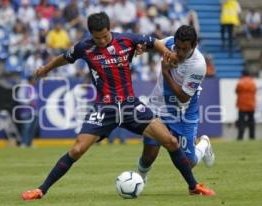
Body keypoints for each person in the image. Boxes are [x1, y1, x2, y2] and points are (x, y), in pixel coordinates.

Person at [21, 12, 215, 201]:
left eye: (105, 36)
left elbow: (153, 41)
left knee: (171, 142)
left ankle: (193, 186)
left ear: (110, 30)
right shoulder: (84, 48)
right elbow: (65, 57)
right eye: (98, 38)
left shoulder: (127, 40)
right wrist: (46, 69)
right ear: (91, 34)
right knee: (77, 149)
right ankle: (41, 190)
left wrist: (165, 52)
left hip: (131, 106)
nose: (103, 41)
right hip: (105, 109)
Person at [137, 25, 216, 189]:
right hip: (157, 108)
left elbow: (183, 96)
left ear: (194, 46)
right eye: (177, 47)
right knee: (149, 153)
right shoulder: (171, 43)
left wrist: (165, 72)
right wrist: (142, 48)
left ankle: (204, 145)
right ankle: (140, 180)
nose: (179, 52)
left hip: (183, 112)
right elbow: (153, 43)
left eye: (184, 49)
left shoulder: (198, 64)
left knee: (188, 163)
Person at [235, 70, 256, 140]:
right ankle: (252, 136)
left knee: (241, 122)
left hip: (242, 105)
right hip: (251, 105)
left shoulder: (240, 82)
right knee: (251, 121)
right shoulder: (252, 82)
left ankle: (240, 136)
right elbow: (255, 91)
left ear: (243, 74)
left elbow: (237, 91)